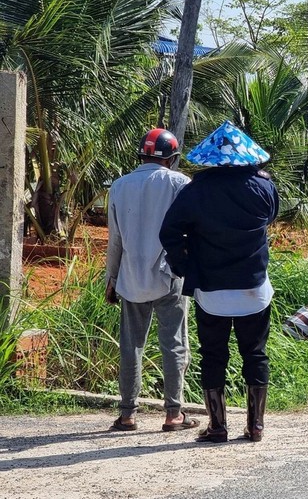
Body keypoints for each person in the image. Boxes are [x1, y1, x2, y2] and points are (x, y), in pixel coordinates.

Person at [160, 121, 279, 443]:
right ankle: (255, 426)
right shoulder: (265, 186)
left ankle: (217, 426)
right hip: (254, 287)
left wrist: (185, 265)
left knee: (213, 355)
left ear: (210, 157)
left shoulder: (197, 189)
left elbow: (168, 232)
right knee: (255, 354)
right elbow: (270, 218)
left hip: (211, 288)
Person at [105, 128, 198, 432]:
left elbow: (115, 240)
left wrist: (111, 278)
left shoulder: (119, 186)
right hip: (169, 276)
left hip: (131, 278)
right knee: (173, 344)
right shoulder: (180, 182)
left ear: (141, 155)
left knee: (131, 345)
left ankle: (128, 413)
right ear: (172, 158)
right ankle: (173, 413)